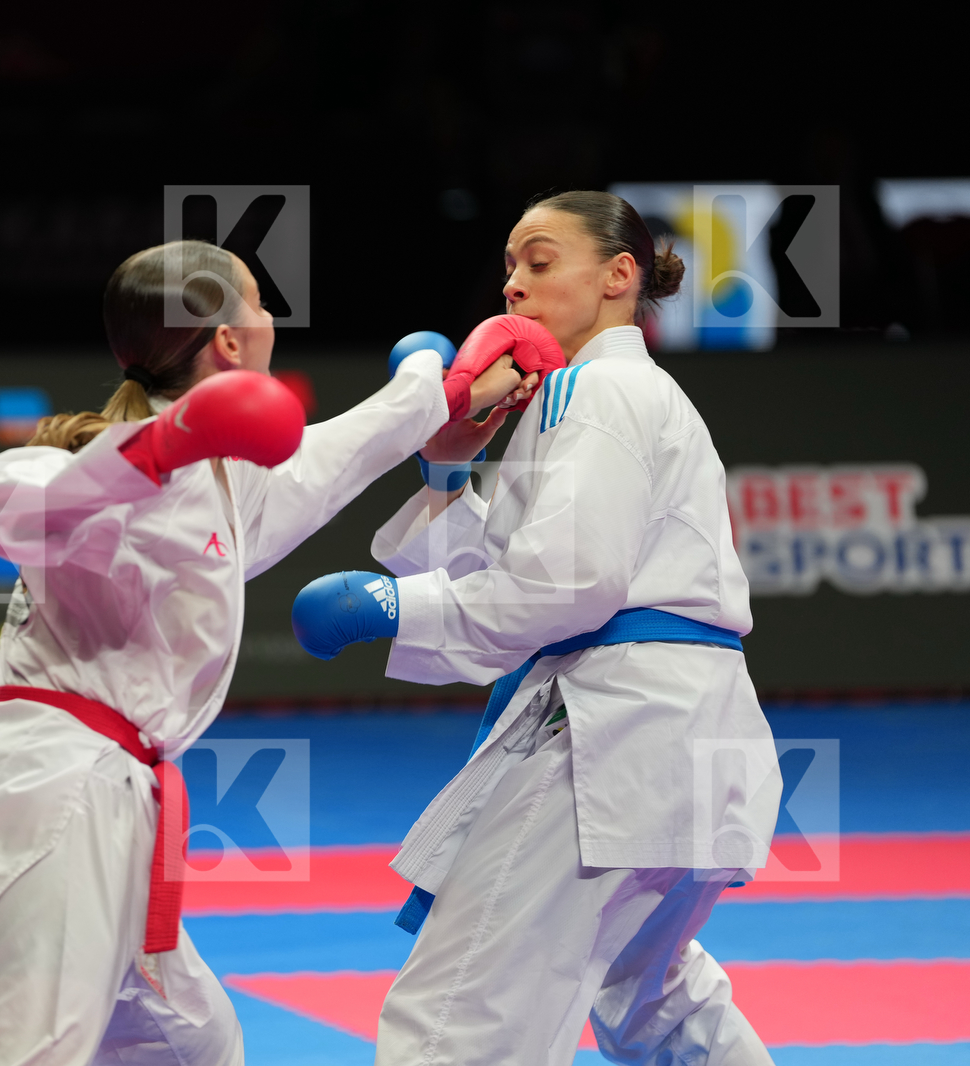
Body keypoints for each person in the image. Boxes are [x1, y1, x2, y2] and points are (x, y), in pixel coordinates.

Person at [0, 239, 531, 1066]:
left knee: (195, 1046)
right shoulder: (103, 470)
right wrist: (166, 445)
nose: (269, 320)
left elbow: (351, 448)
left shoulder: (230, 480)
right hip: (41, 798)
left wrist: (437, 381)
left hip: (121, 809)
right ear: (228, 342)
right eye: (258, 303)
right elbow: (1, 507)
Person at [291, 191, 781, 1066]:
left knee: (457, 1017)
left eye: (541, 262)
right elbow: (508, 583)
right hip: (681, 738)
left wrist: (393, 607)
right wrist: (447, 475)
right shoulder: (582, 399)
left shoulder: (604, 387)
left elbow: (567, 589)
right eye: (511, 265)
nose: (513, 284)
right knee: (651, 999)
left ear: (619, 276)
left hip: (613, 738)